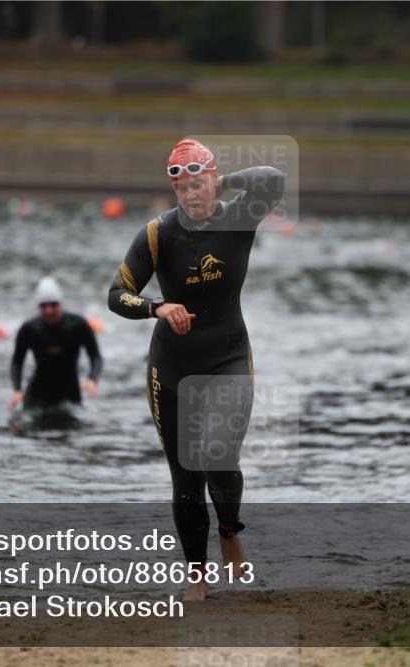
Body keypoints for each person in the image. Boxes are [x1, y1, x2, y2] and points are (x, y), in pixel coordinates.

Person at [107, 138, 284, 600]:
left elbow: (274, 181)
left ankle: (229, 529)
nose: (190, 195)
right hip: (171, 369)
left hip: (228, 357)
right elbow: (116, 294)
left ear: (213, 181)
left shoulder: (239, 217)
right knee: (186, 477)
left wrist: (226, 181)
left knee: (218, 454)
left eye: (199, 185)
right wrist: (157, 308)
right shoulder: (158, 233)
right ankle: (197, 576)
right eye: (182, 189)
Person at [9, 277, 102, 411]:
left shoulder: (77, 325)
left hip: (70, 394)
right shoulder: (29, 329)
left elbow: (95, 356)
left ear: (61, 303)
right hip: (37, 396)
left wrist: (92, 379)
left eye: (53, 305)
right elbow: (17, 361)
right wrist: (17, 390)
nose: (49, 311)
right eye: (43, 306)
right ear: (38, 306)